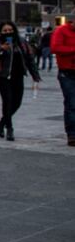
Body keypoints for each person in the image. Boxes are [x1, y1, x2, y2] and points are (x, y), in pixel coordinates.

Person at [0, 21, 42, 141]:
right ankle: (9, 128)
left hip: (18, 75)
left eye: (10, 30)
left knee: (17, 102)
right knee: (7, 100)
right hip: (2, 76)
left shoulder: (21, 42)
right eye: (5, 31)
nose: (8, 32)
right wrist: (1, 49)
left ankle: (2, 122)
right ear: (0, 32)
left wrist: (35, 75)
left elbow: (30, 58)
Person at [50, 16, 75, 147]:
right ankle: (72, 135)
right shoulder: (61, 31)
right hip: (67, 72)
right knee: (72, 103)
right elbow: (55, 47)